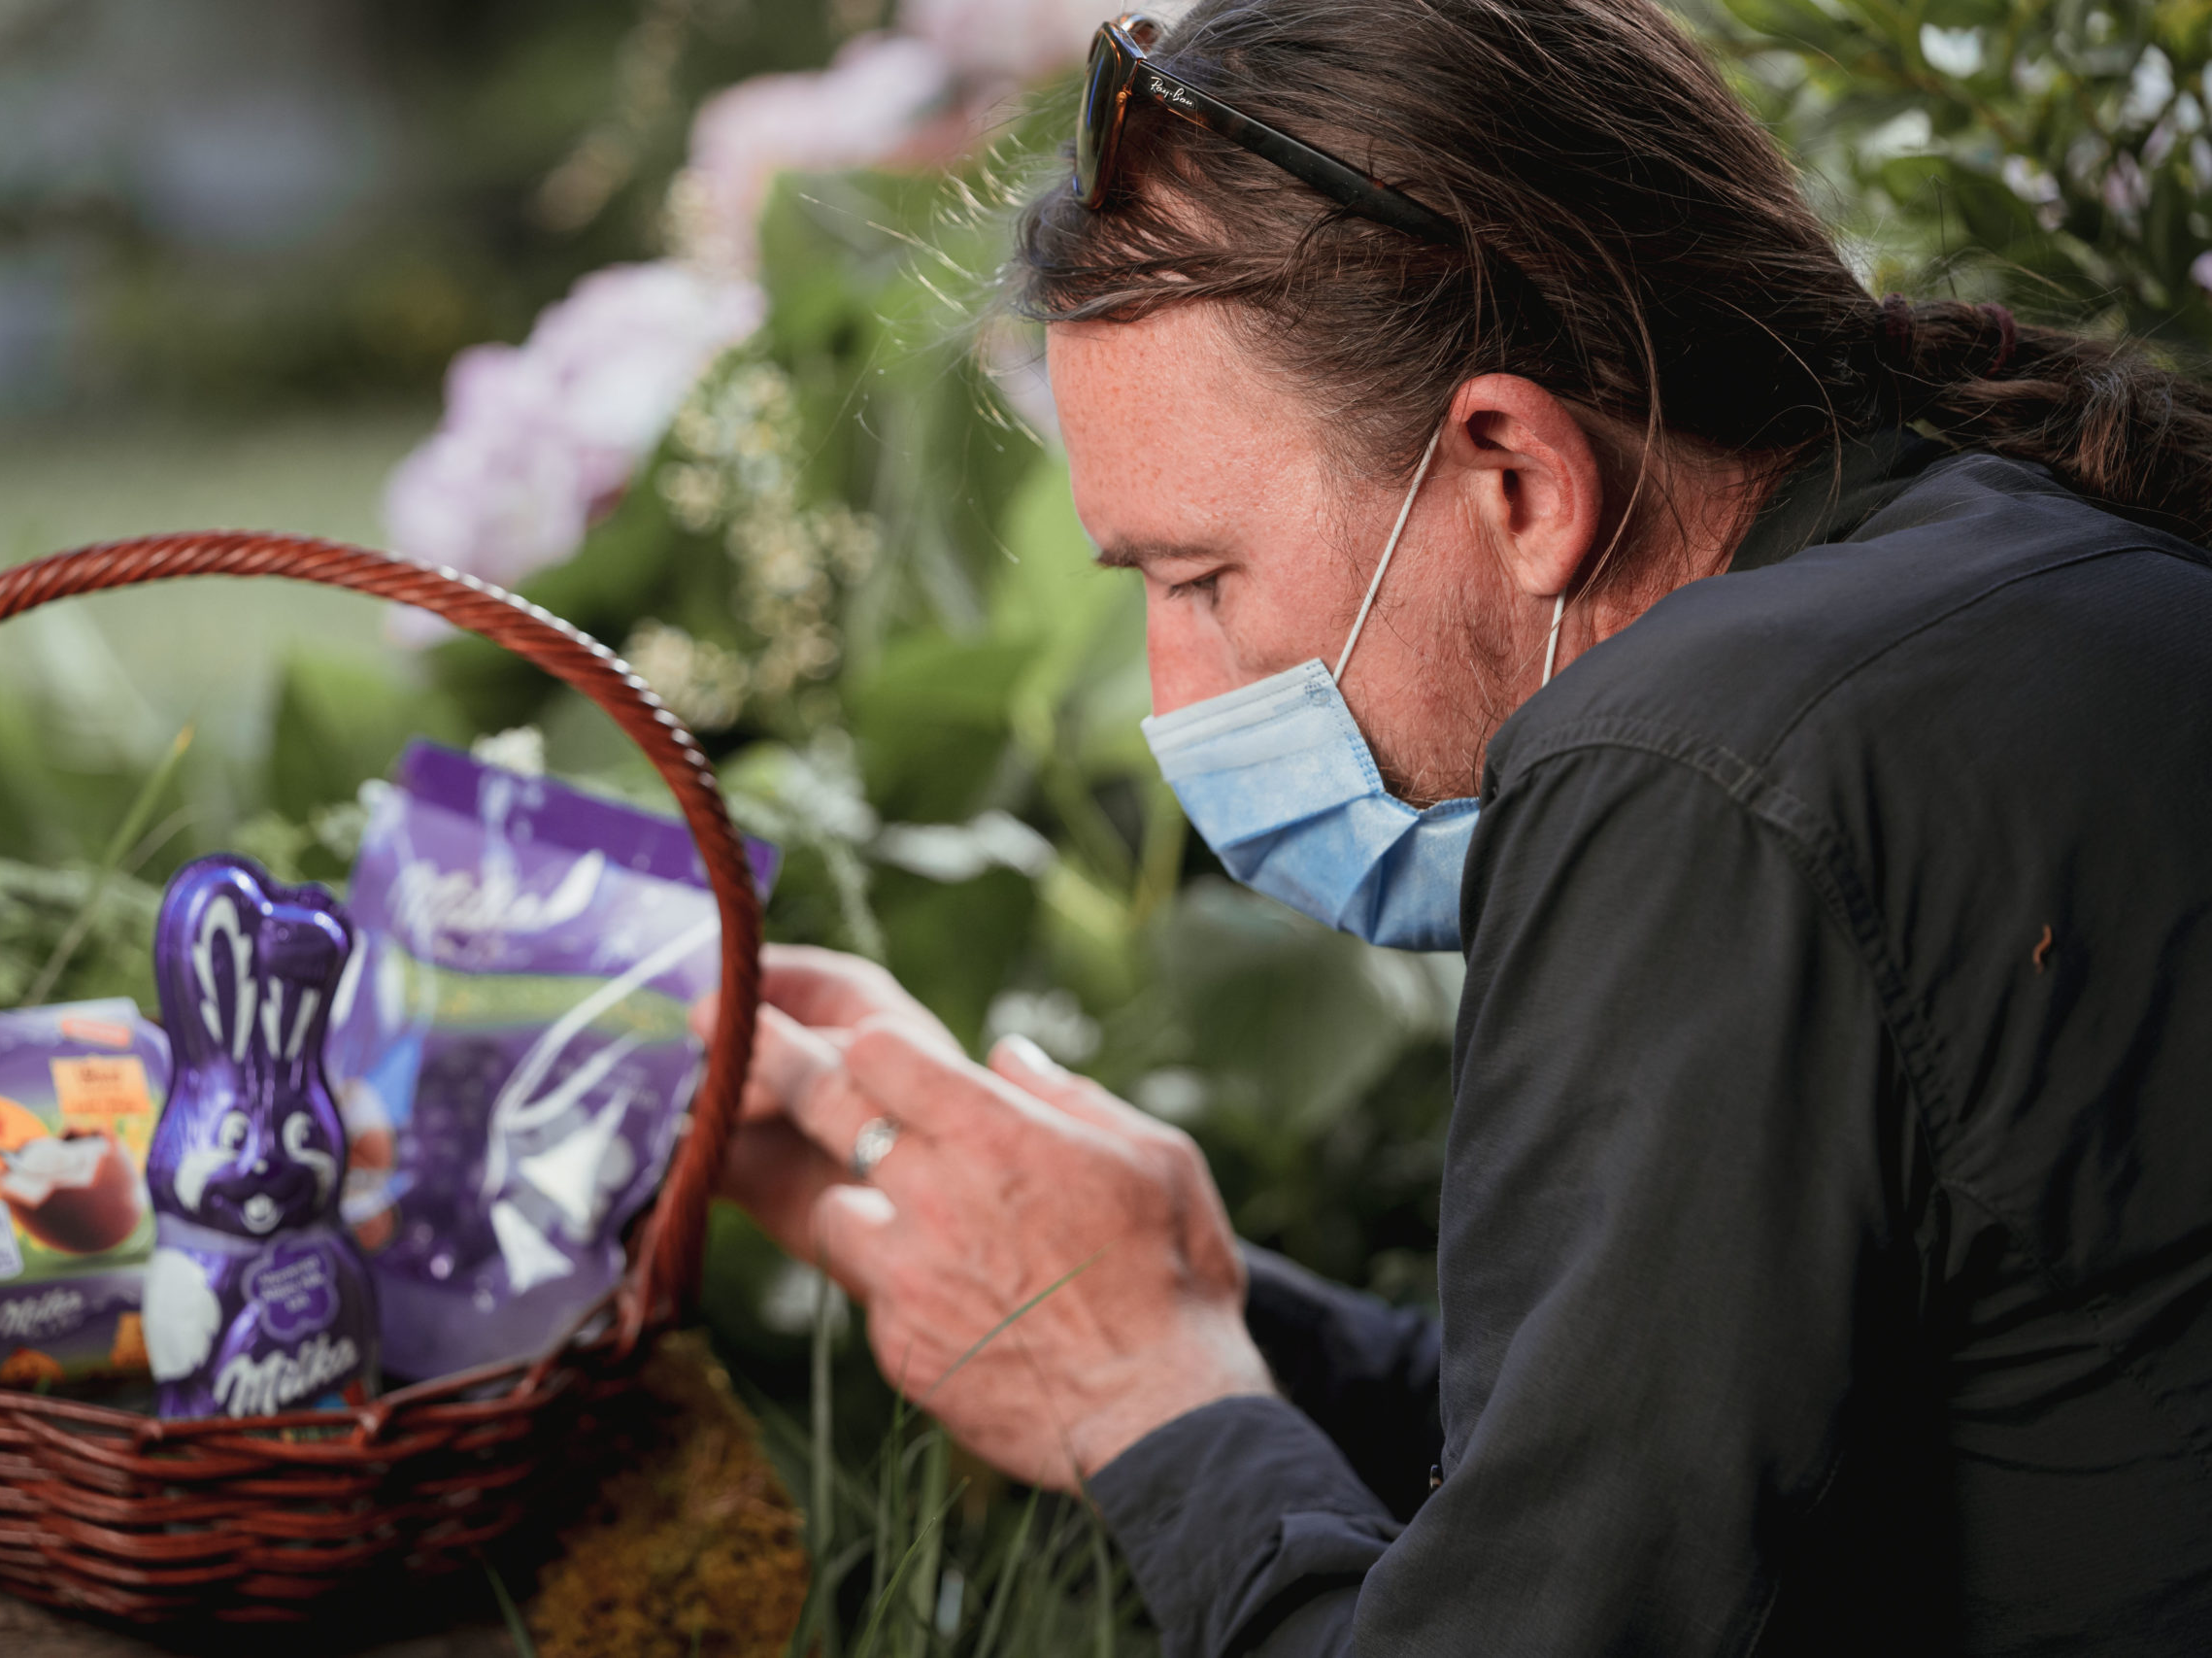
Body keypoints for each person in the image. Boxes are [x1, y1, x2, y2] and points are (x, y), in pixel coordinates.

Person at [695, 0, 2212, 1650]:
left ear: (1517, 479)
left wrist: (1144, 1409)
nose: (1173, 691)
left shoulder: (1697, 767)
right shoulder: (2026, 572)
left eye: (1200, 579)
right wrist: (1159, 1296)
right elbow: (1658, 1458)